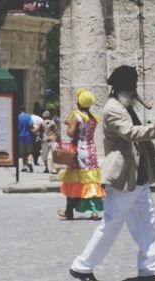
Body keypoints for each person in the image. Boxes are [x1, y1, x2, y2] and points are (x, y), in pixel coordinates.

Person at [69, 66, 155, 281]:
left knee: (148, 223)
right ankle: (82, 267)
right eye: (133, 85)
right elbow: (130, 133)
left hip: (139, 176)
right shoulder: (113, 108)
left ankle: (149, 270)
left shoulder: (125, 106)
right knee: (111, 223)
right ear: (124, 87)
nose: (136, 89)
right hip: (123, 176)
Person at [58, 89, 105, 220]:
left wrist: (69, 126)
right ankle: (94, 211)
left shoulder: (77, 116)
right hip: (91, 151)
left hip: (79, 151)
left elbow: (71, 133)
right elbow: (84, 128)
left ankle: (69, 211)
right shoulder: (93, 118)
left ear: (79, 102)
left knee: (74, 180)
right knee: (91, 181)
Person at [18, 105, 36, 172]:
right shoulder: (28, 116)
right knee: (30, 151)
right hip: (28, 136)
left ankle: (24, 166)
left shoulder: (18, 117)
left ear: (19, 110)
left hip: (20, 136)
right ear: (25, 110)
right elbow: (30, 125)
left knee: (23, 153)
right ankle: (30, 162)